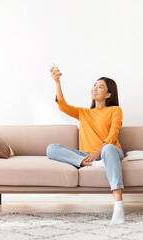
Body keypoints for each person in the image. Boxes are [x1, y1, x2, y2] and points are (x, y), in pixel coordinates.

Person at [46, 65, 126, 224]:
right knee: (51, 148)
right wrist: (57, 82)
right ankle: (95, 165)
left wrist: (98, 152)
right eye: (95, 84)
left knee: (109, 148)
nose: (95, 88)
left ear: (108, 94)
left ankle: (118, 206)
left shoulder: (115, 110)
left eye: (100, 86)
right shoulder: (84, 113)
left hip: (110, 152)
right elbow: (62, 105)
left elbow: (112, 135)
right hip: (88, 156)